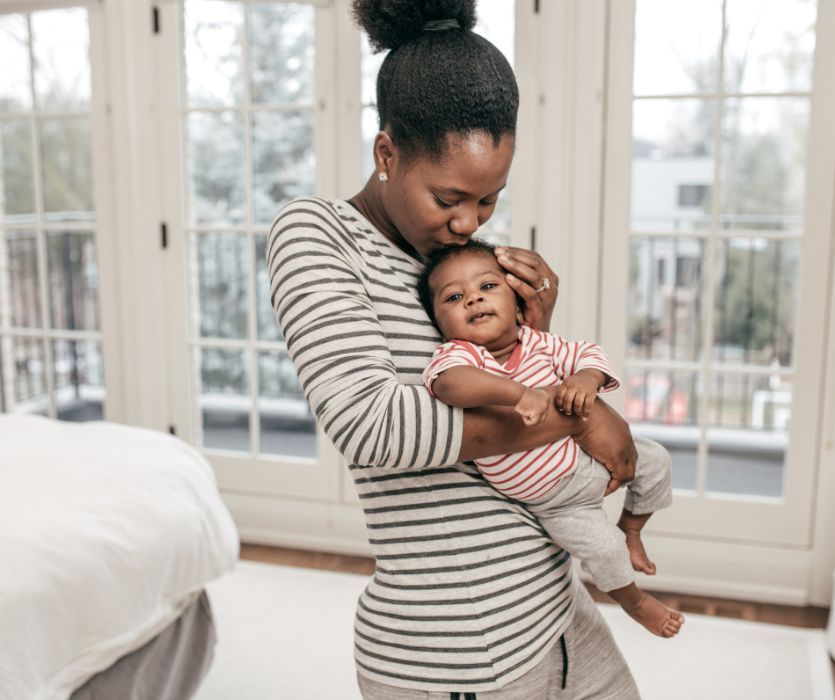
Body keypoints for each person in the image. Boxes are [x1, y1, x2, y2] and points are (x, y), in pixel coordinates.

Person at [267, 0, 642, 696]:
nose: (468, 222)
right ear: (387, 153)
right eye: (449, 198)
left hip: (557, 608)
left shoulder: (461, 257)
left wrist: (532, 330)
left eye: (490, 200)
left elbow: (512, 387)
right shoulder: (317, 235)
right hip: (458, 651)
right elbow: (373, 426)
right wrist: (575, 411)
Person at [417, 239, 685, 639]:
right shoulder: (460, 356)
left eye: (488, 287)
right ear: (438, 321)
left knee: (657, 460)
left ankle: (632, 527)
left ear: (516, 299)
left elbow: (588, 354)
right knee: (603, 549)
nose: (473, 299)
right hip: (556, 501)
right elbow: (450, 386)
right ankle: (635, 601)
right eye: (455, 297)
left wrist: (585, 379)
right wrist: (518, 394)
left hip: (588, 456)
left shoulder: (538, 342)